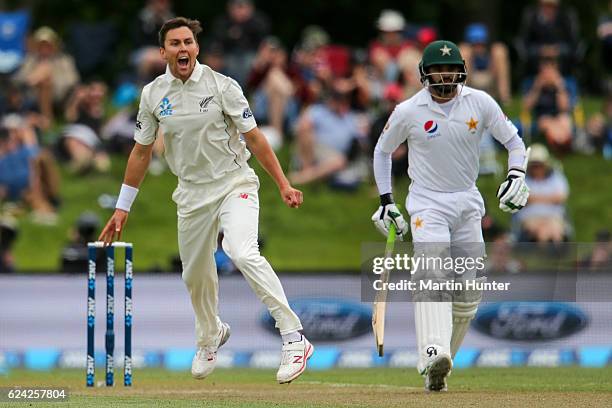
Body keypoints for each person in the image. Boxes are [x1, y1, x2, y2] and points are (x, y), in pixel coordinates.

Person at [97, 17, 312, 384]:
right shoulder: (152, 94)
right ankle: (210, 335)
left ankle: (294, 337)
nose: (183, 49)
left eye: (188, 42)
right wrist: (122, 207)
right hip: (191, 193)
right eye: (175, 44)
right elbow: (140, 153)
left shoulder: (222, 86)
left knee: (242, 252)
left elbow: (256, 139)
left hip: (233, 183)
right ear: (163, 52)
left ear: (196, 47)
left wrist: (283, 184)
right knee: (195, 274)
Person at [371, 40, 530, 391]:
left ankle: (439, 368)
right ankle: (432, 349)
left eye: (450, 69)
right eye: (438, 70)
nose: (445, 75)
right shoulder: (409, 110)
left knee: (469, 293)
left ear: (461, 71)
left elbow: (515, 143)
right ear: (425, 74)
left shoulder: (481, 102)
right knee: (432, 270)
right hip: (427, 203)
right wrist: (387, 200)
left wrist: (516, 174)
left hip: (467, 202)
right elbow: (382, 152)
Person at [515, 143, 569, 243]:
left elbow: (561, 197)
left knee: (555, 230)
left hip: (553, 216)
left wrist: (534, 199)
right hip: (530, 217)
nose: (537, 168)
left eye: (539, 165)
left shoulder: (556, 177)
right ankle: (548, 254)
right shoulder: (523, 179)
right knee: (542, 231)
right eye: (534, 165)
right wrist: (549, 198)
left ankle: (553, 254)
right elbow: (522, 199)